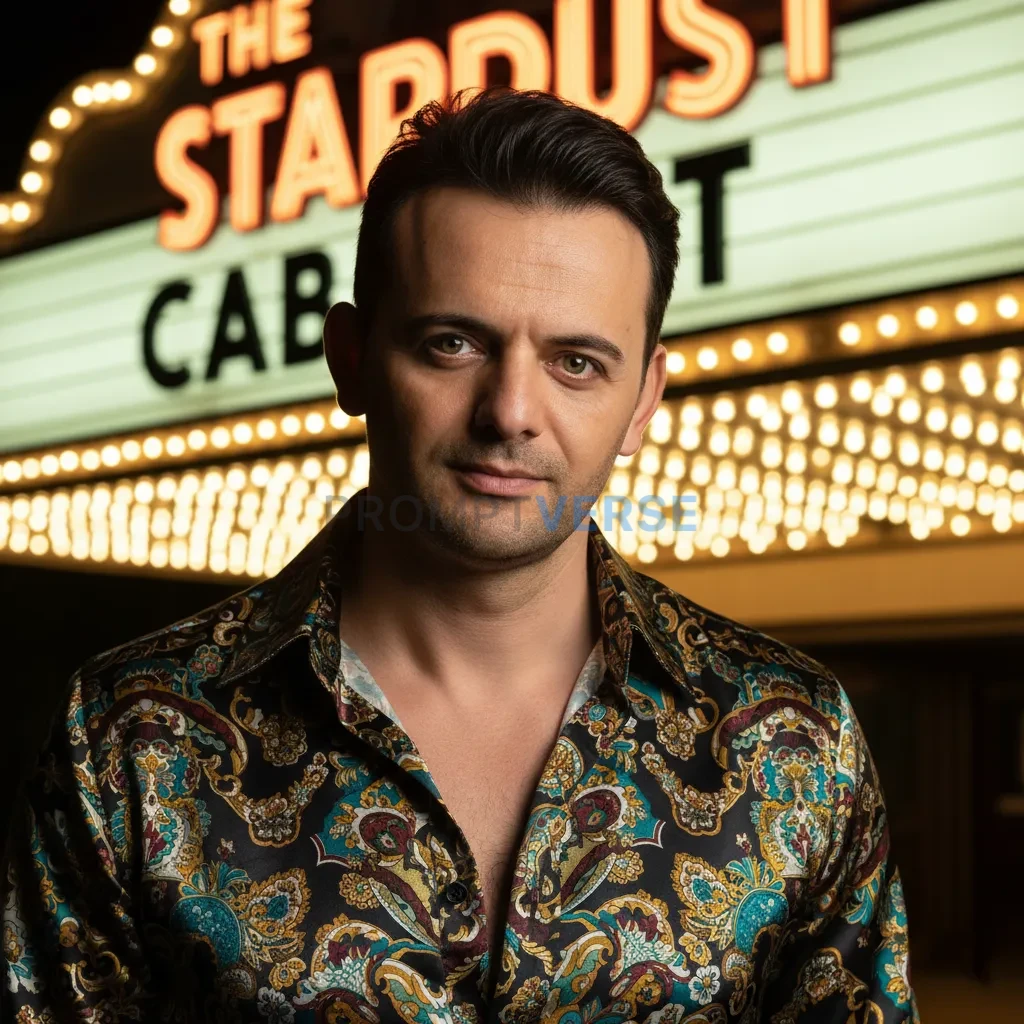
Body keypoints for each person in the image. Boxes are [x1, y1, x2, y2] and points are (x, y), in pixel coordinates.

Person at [2, 87, 917, 1023]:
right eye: (452, 343)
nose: (510, 412)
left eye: (576, 363)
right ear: (352, 358)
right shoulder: (129, 741)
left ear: (644, 399)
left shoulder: (798, 743)